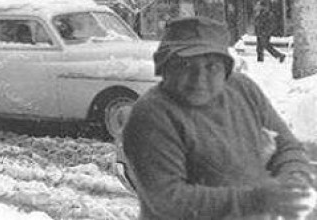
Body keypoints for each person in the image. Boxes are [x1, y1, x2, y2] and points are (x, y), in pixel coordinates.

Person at [122, 16, 315, 220]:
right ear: (164, 67)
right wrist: (254, 200)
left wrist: (293, 178)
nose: (199, 78)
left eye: (212, 66)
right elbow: (168, 199)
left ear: (226, 69)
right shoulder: (151, 115)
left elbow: (287, 146)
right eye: (185, 65)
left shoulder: (243, 90)